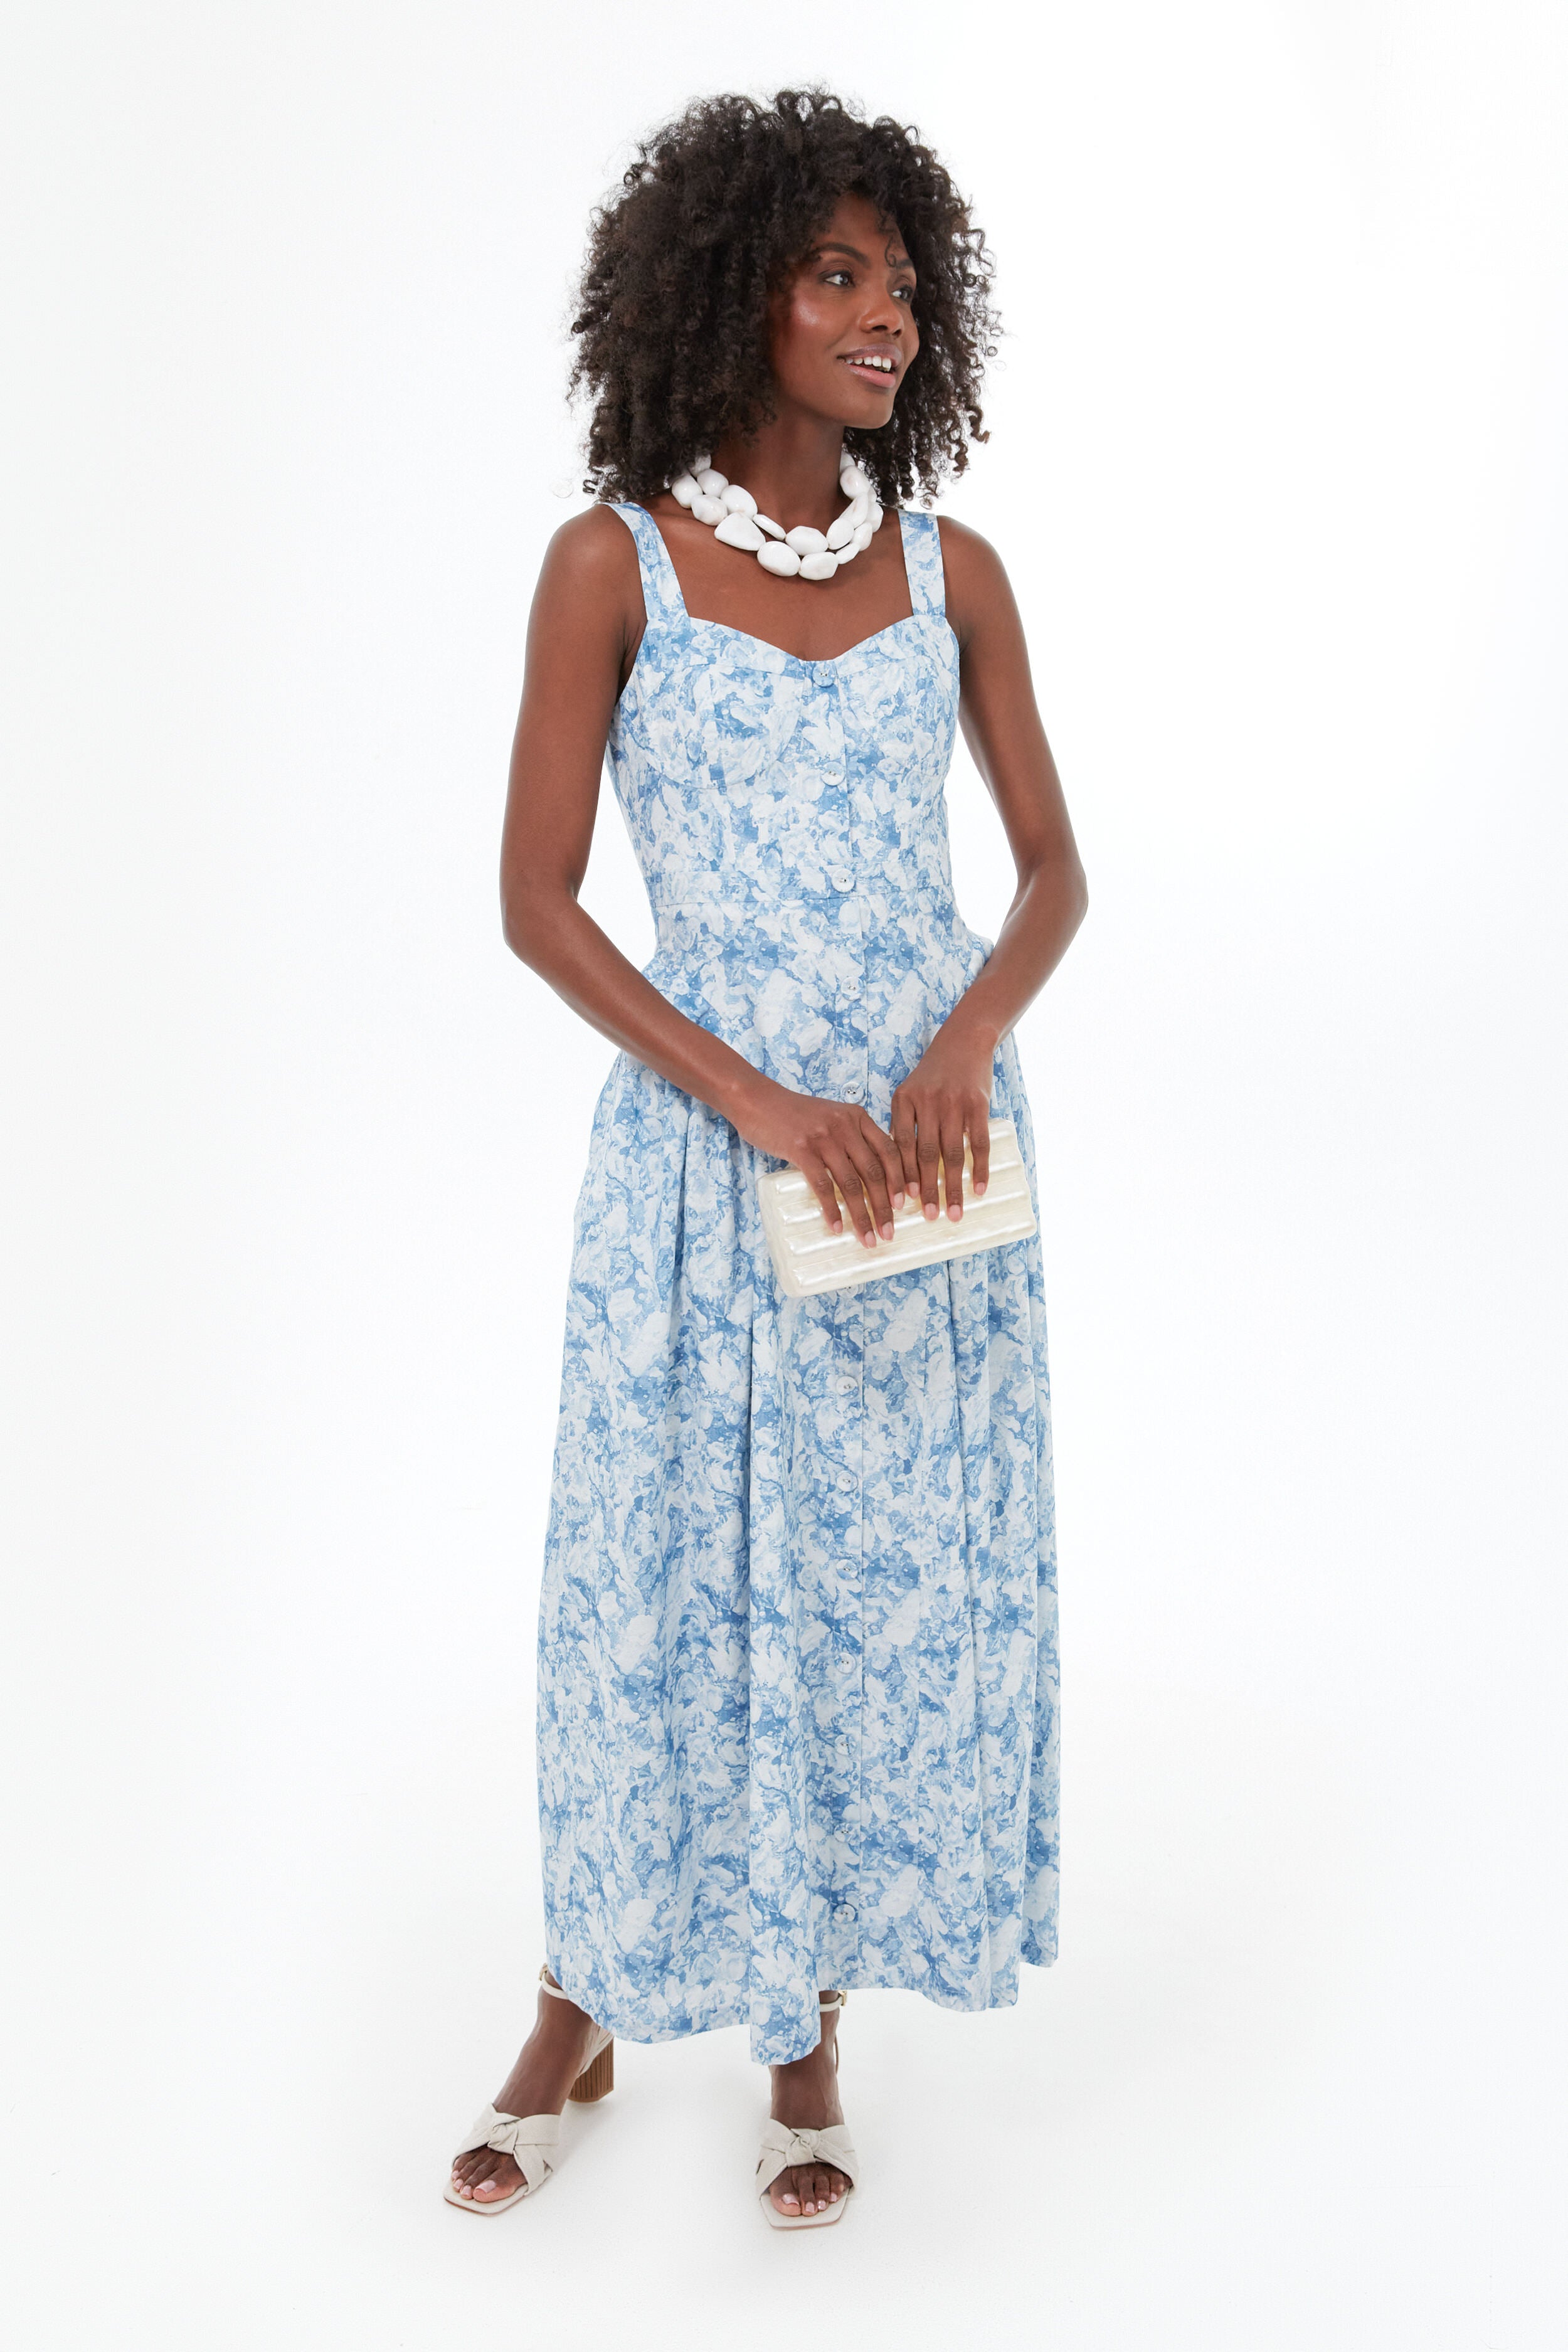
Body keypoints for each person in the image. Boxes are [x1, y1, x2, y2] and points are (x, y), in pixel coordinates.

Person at [447, 87, 1088, 2230]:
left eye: (901, 284)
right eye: (837, 276)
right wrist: (753, 1100)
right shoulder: (609, 566)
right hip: (708, 1160)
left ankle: (804, 2019)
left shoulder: (950, 573)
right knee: (653, 1587)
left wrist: (963, 1041)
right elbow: (536, 903)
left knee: (867, 1583)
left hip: (919, 1162)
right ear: (732, 295)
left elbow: (1054, 871)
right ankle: (581, 1995)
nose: (884, 315)